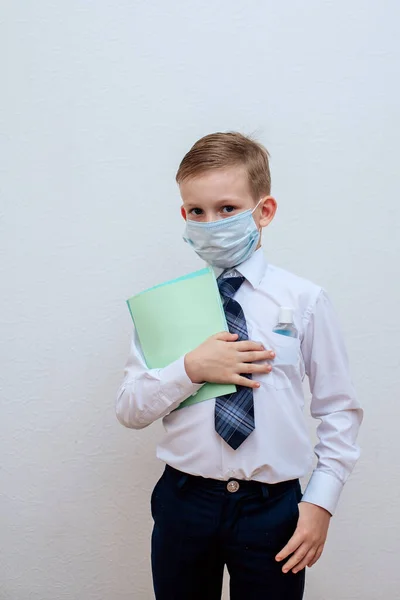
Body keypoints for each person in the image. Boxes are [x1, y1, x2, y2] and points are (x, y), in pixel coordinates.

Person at [115, 131, 363, 600]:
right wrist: (189, 368)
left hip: (272, 508)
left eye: (227, 208)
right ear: (183, 214)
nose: (210, 223)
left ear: (263, 211)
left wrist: (320, 504)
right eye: (196, 211)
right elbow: (130, 408)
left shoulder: (305, 301)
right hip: (185, 501)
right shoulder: (165, 307)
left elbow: (338, 410)